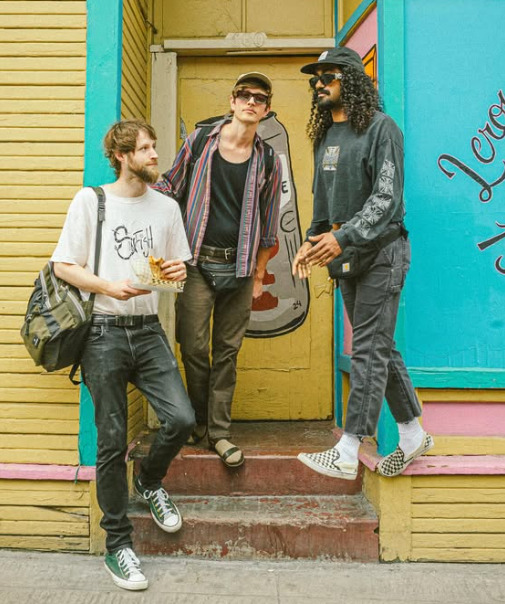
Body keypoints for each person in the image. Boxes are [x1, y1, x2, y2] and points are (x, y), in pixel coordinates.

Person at [51, 119, 195, 591]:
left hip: (148, 330)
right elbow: (63, 265)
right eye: (145, 148)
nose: (155, 154)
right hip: (103, 332)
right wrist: (108, 287)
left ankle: (149, 480)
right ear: (122, 156)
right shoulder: (90, 201)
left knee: (181, 419)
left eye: (154, 146)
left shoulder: (166, 207)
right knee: (111, 441)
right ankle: (118, 544)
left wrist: (177, 272)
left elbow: (176, 270)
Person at [292, 47, 433, 480]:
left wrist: (341, 237)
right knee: (379, 345)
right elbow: (323, 199)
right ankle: (412, 433)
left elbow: (386, 199)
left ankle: (349, 448)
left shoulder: (381, 128)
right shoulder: (325, 136)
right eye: (315, 79)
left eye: (328, 76)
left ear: (352, 79)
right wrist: (311, 241)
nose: (319, 84)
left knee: (368, 347)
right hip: (347, 256)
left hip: (382, 254)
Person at [153, 72, 282, 468]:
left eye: (259, 98)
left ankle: (219, 432)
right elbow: (169, 187)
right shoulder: (199, 142)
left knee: (227, 351)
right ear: (232, 101)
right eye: (244, 95)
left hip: (240, 267)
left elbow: (269, 224)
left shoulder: (268, 159)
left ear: (266, 110)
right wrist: (131, 195)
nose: (251, 102)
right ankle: (199, 423)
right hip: (196, 262)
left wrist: (259, 274)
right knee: (193, 346)